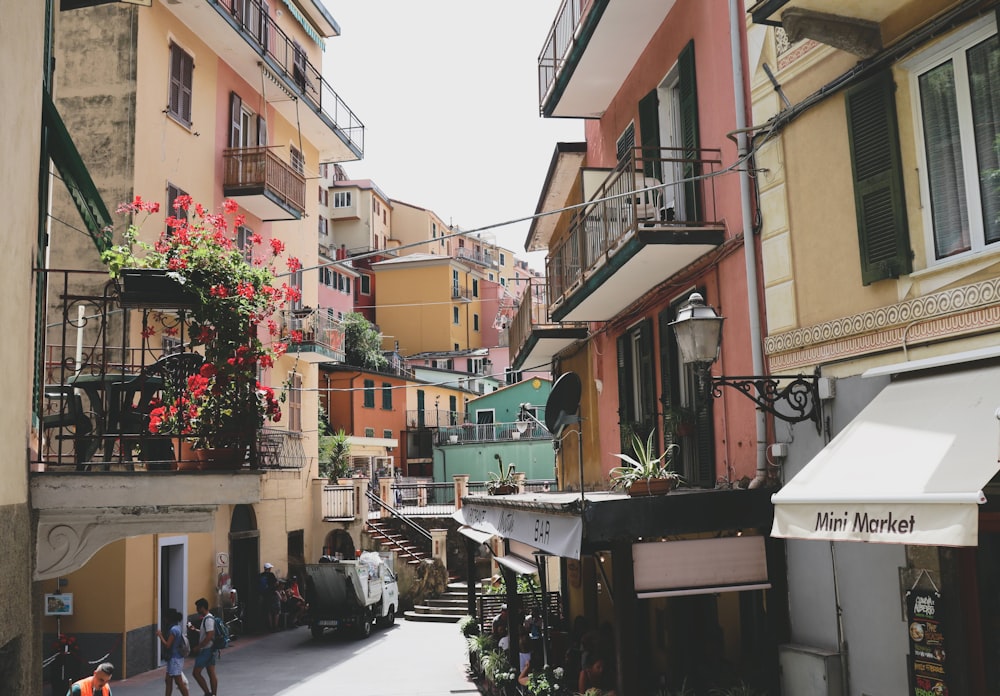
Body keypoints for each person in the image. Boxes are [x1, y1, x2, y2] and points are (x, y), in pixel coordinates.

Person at [156, 608, 190, 696]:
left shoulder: (173, 630)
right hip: (174, 658)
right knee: (168, 680)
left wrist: (160, 636)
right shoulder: (177, 627)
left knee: (179, 682)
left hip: (175, 659)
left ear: (168, 618)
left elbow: (168, 645)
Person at [191, 598, 218, 696]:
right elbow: (206, 633)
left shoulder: (208, 619)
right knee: (211, 673)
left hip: (206, 650)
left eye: (198, 608)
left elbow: (209, 635)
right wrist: (196, 630)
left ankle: (207, 693)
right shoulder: (207, 618)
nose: (197, 610)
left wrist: (198, 647)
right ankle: (213, 694)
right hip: (210, 649)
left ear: (202, 607)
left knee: (196, 673)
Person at [258, 562, 279, 631]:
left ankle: (270, 627)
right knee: (275, 612)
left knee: (268, 612)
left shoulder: (261, 575)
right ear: (269, 568)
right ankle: (275, 627)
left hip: (264, 596)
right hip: (272, 595)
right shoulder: (271, 575)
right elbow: (276, 583)